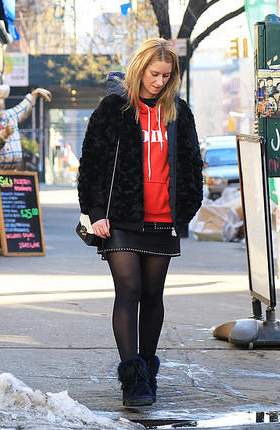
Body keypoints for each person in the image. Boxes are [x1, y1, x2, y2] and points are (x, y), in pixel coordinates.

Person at [77, 38, 203, 406]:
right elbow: (92, 164)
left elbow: (192, 165)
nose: (160, 81)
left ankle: (147, 369)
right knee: (128, 290)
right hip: (121, 218)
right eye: (154, 73)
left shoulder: (178, 112)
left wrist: (187, 208)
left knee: (152, 295)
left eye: (166, 75)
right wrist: (96, 212)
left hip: (163, 219)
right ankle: (132, 378)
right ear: (139, 69)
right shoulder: (114, 109)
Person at [0, 84, 51, 247]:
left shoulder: (8, 116)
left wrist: (34, 94)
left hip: (8, 174)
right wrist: (4, 134)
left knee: (3, 208)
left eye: (0, 107)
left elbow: (21, 108)